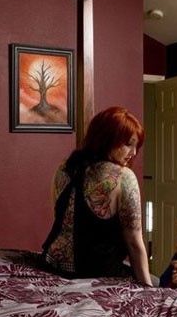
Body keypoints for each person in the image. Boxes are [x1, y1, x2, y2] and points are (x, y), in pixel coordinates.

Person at [41, 106, 153, 287]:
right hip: (93, 272)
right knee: (154, 280)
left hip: (51, 264)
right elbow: (133, 241)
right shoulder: (124, 177)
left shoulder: (65, 167)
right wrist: (148, 289)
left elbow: (61, 218)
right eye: (128, 144)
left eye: (136, 146)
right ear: (107, 139)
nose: (133, 153)